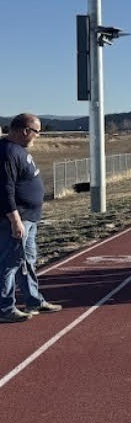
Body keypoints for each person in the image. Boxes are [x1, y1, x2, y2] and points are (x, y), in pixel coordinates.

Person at [1, 114, 61, 321]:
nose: (38, 136)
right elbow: (4, 190)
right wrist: (15, 220)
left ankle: (34, 300)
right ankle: (4, 309)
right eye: (36, 132)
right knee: (9, 264)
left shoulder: (19, 151)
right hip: (17, 219)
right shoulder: (7, 152)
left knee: (26, 262)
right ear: (25, 130)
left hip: (30, 218)